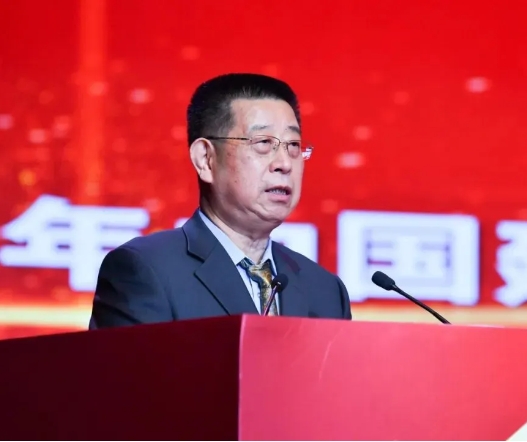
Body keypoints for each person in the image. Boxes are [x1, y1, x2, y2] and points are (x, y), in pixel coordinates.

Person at [89, 73, 352, 328]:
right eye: (263, 142)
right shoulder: (146, 270)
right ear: (206, 159)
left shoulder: (325, 290)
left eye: (293, 145)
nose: (284, 163)